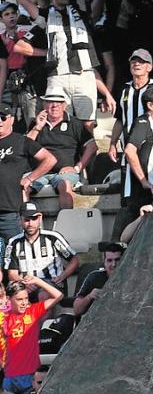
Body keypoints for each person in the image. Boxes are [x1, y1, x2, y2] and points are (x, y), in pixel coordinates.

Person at [18, 0, 116, 124]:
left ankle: (87, 146)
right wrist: (47, 52)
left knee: (88, 123)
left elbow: (95, 12)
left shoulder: (80, 14)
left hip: (83, 76)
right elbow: (22, 1)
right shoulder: (46, 16)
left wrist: (107, 94)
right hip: (57, 77)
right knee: (59, 123)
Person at [112, 87, 153, 242]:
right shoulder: (143, 122)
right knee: (134, 238)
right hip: (139, 191)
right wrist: (144, 182)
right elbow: (130, 151)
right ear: (151, 105)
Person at [25, 87, 97, 209]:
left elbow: (92, 146)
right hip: (39, 172)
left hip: (63, 174)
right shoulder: (36, 123)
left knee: (65, 185)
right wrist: (37, 127)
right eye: (50, 102)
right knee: (23, 186)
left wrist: (77, 168)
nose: (54, 106)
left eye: (58, 103)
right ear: (44, 104)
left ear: (64, 105)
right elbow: (24, 146)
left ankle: (66, 222)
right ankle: (24, 221)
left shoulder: (75, 123)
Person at [0, 104, 56, 242]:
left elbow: (49, 159)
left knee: (15, 256)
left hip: (10, 211)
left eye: (2, 118)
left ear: (11, 120)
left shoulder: (21, 141)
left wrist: (30, 178)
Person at [1, 275, 62, 394]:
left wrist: (38, 281)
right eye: (19, 299)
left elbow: (58, 295)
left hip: (30, 377)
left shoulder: (33, 312)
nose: (24, 303)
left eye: (26, 299)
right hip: (8, 377)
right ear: (8, 299)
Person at [4, 201, 78, 298]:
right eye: (26, 219)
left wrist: (62, 276)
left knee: (43, 295)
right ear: (20, 220)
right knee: (14, 295)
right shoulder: (14, 242)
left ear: (40, 218)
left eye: (34, 219)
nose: (30, 223)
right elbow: (12, 274)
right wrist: (23, 283)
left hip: (51, 283)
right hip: (26, 284)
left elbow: (74, 260)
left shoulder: (53, 237)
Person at [109, 49, 153, 163]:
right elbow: (120, 120)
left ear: (149, 67)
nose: (137, 64)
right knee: (127, 179)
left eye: (141, 61)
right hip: (127, 145)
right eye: (134, 61)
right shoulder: (123, 89)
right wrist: (112, 143)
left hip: (151, 146)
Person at [0, 2, 38, 129]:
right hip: (7, 80)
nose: (11, 17)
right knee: (8, 115)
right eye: (7, 14)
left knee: (30, 116)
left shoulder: (25, 34)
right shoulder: (0, 38)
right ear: (1, 19)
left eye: (13, 13)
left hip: (26, 79)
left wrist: (14, 39)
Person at [72, 241, 123, 317]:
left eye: (117, 260)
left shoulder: (132, 277)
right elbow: (76, 310)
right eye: (109, 260)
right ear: (104, 261)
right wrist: (89, 296)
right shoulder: (94, 277)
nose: (114, 264)